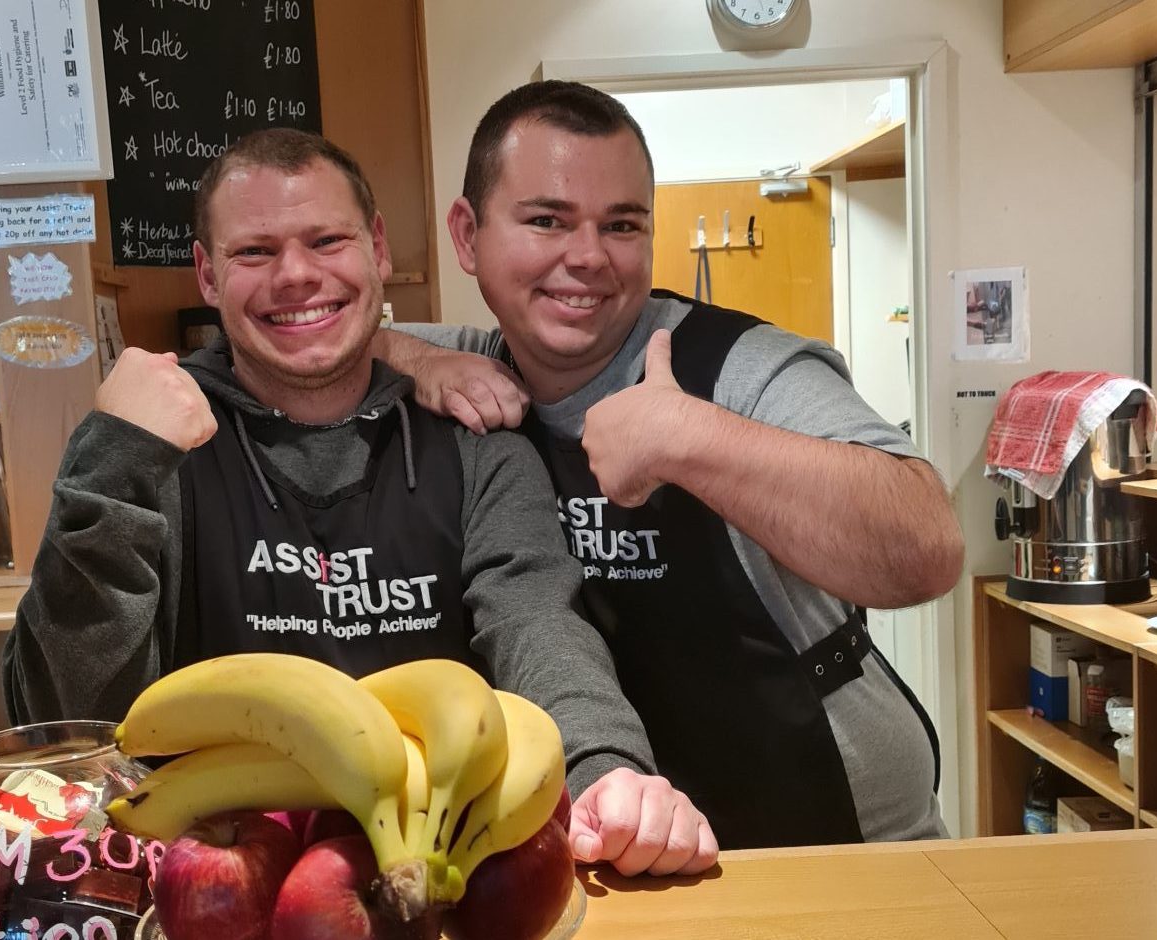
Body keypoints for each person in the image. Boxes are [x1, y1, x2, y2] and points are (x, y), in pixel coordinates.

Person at [2, 128, 716, 877]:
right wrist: (113, 460)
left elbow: (538, 626)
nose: (296, 275)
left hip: (440, 875)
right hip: (204, 882)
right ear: (208, 275)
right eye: (255, 252)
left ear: (377, 249)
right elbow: (64, 729)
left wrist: (604, 770)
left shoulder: (477, 446)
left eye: (327, 241)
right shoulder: (150, 448)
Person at [375, 81, 967, 848]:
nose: (588, 257)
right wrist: (417, 358)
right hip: (613, 827)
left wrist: (685, 436)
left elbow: (927, 549)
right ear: (467, 235)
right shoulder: (476, 364)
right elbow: (307, 339)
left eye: (621, 225)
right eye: (547, 220)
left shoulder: (744, 367)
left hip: (836, 827)